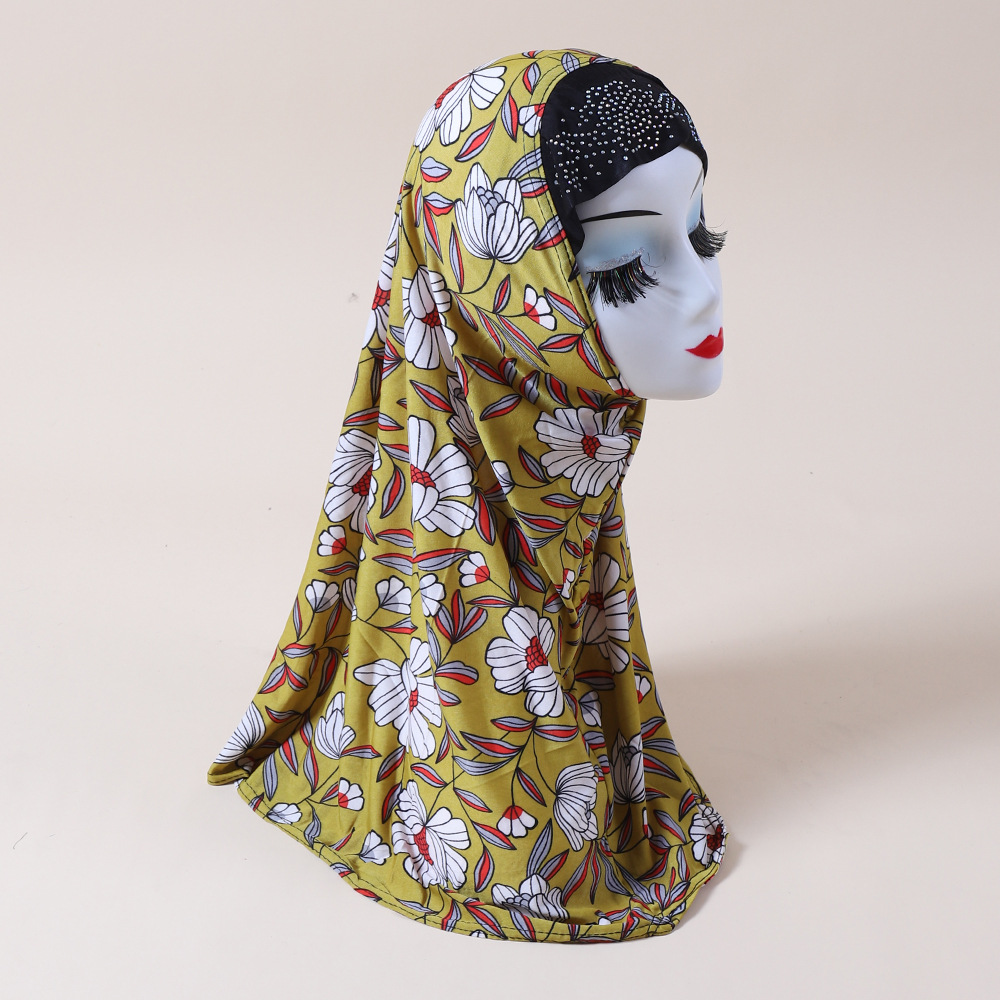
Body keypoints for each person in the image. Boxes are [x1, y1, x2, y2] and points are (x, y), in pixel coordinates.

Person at [207, 48, 728, 943]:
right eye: (625, 262)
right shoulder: (445, 516)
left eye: (702, 234)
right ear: (503, 279)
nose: (703, 290)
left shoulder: (571, 448)